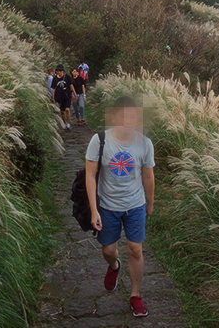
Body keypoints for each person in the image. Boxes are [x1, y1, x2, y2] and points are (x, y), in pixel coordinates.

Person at [85, 96, 155, 317]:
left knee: (135, 249)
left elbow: (148, 176)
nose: (128, 121)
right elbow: (90, 174)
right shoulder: (100, 140)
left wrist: (150, 203)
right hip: (107, 205)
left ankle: (135, 295)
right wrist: (94, 209)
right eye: (123, 116)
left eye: (132, 116)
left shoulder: (145, 143)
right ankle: (114, 266)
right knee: (108, 249)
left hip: (135, 204)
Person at [50, 64, 75, 129]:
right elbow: (53, 88)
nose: (59, 72)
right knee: (62, 112)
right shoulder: (55, 79)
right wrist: (53, 97)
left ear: (63, 71)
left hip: (67, 96)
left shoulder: (67, 77)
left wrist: (74, 93)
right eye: (58, 71)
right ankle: (65, 123)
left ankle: (68, 123)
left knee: (67, 109)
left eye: (60, 71)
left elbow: (71, 85)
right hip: (60, 97)